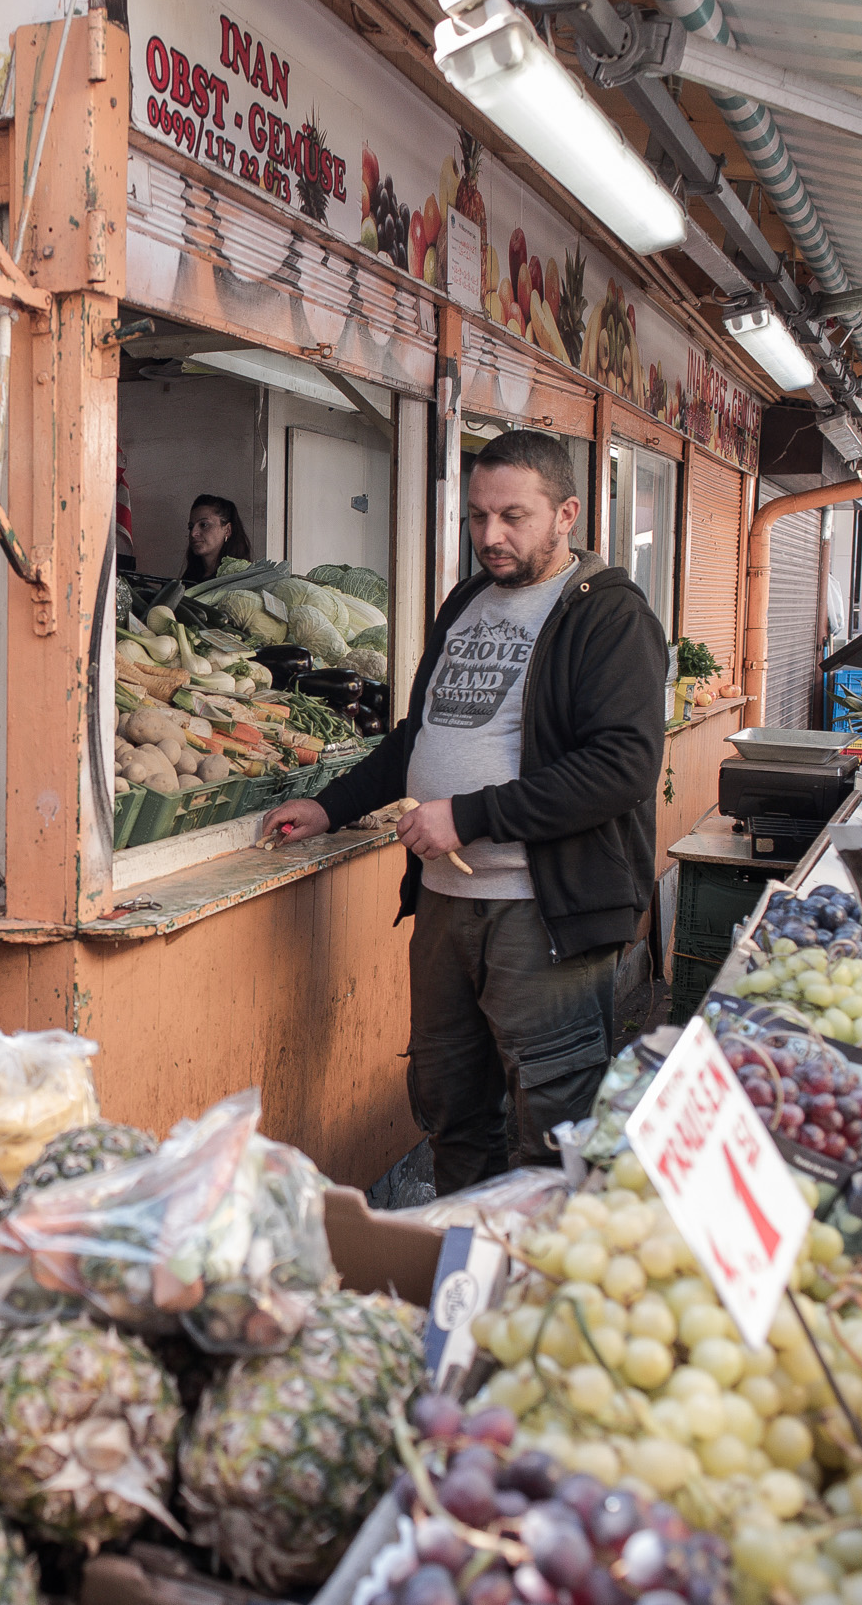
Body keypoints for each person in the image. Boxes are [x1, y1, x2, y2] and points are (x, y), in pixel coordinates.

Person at [257, 429, 665, 1191]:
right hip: (446, 906)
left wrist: (468, 817)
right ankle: (462, 1254)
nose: (490, 535)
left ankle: (539, 1262)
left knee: (554, 1129)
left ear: (567, 513)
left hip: (542, 915)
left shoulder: (608, 615)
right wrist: (330, 805)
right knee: (452, 1111)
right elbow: (419, 735)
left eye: (513, 516)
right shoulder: (467, 602)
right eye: (478, 516)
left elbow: (623, 767)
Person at [181, 495, 253, 583]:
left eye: (204, 525)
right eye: (190, 527)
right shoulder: (189, 578)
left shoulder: (241, 577)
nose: (193, 533)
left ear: (227, 530)